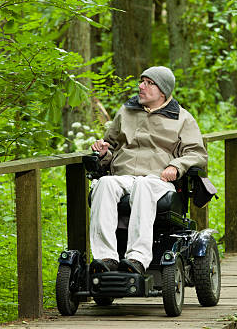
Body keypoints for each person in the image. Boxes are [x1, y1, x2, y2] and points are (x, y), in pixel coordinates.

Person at [89, 65, 208, 276]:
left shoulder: (182, 118)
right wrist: (102, 152)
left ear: (162, 91)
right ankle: (106, 257)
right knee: (104, 184)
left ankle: (137, 258)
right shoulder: (126, 112)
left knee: (144, 185)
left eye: (148, 83)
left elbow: (197, 154)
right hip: (123, 177)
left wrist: (176, 166)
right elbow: (111, 147)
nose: (140, 86)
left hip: (158, 179)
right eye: (141, 81)